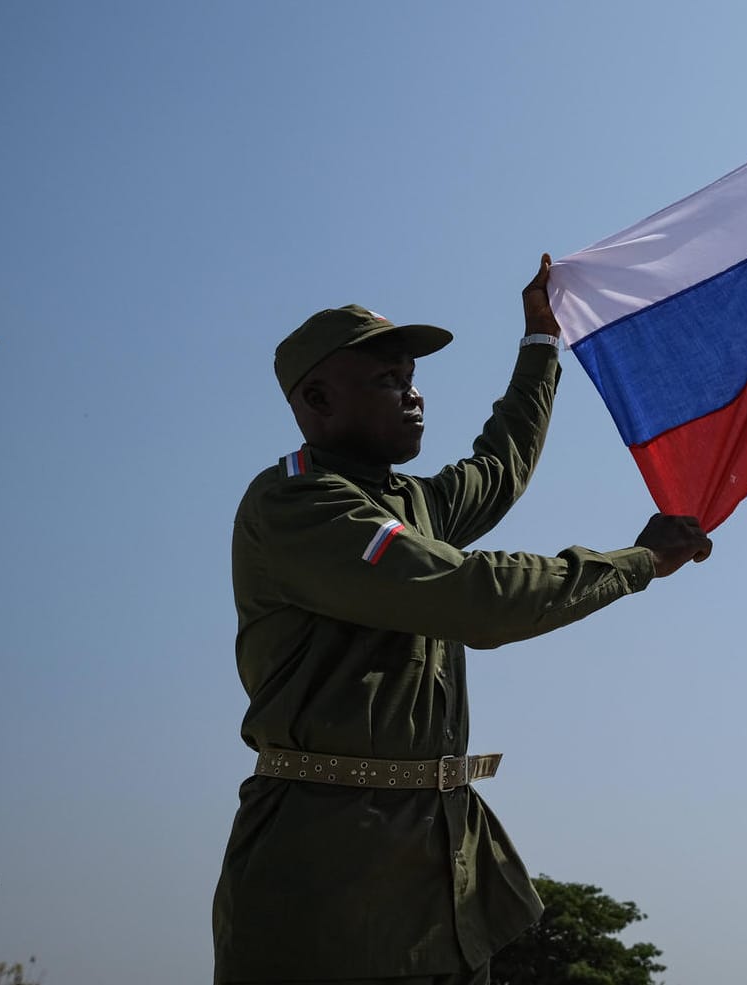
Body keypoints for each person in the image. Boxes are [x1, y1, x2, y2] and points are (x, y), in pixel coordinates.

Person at [213, 256, 712, 985]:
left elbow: (499, 464)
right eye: (387, 380)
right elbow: (472, 595)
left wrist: (540, 341)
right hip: (326, 873)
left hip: (435, 864)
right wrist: (635, 562)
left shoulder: (408, 503)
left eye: (412, 379)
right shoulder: (299, 504)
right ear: (315, 400)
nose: (413, 397)